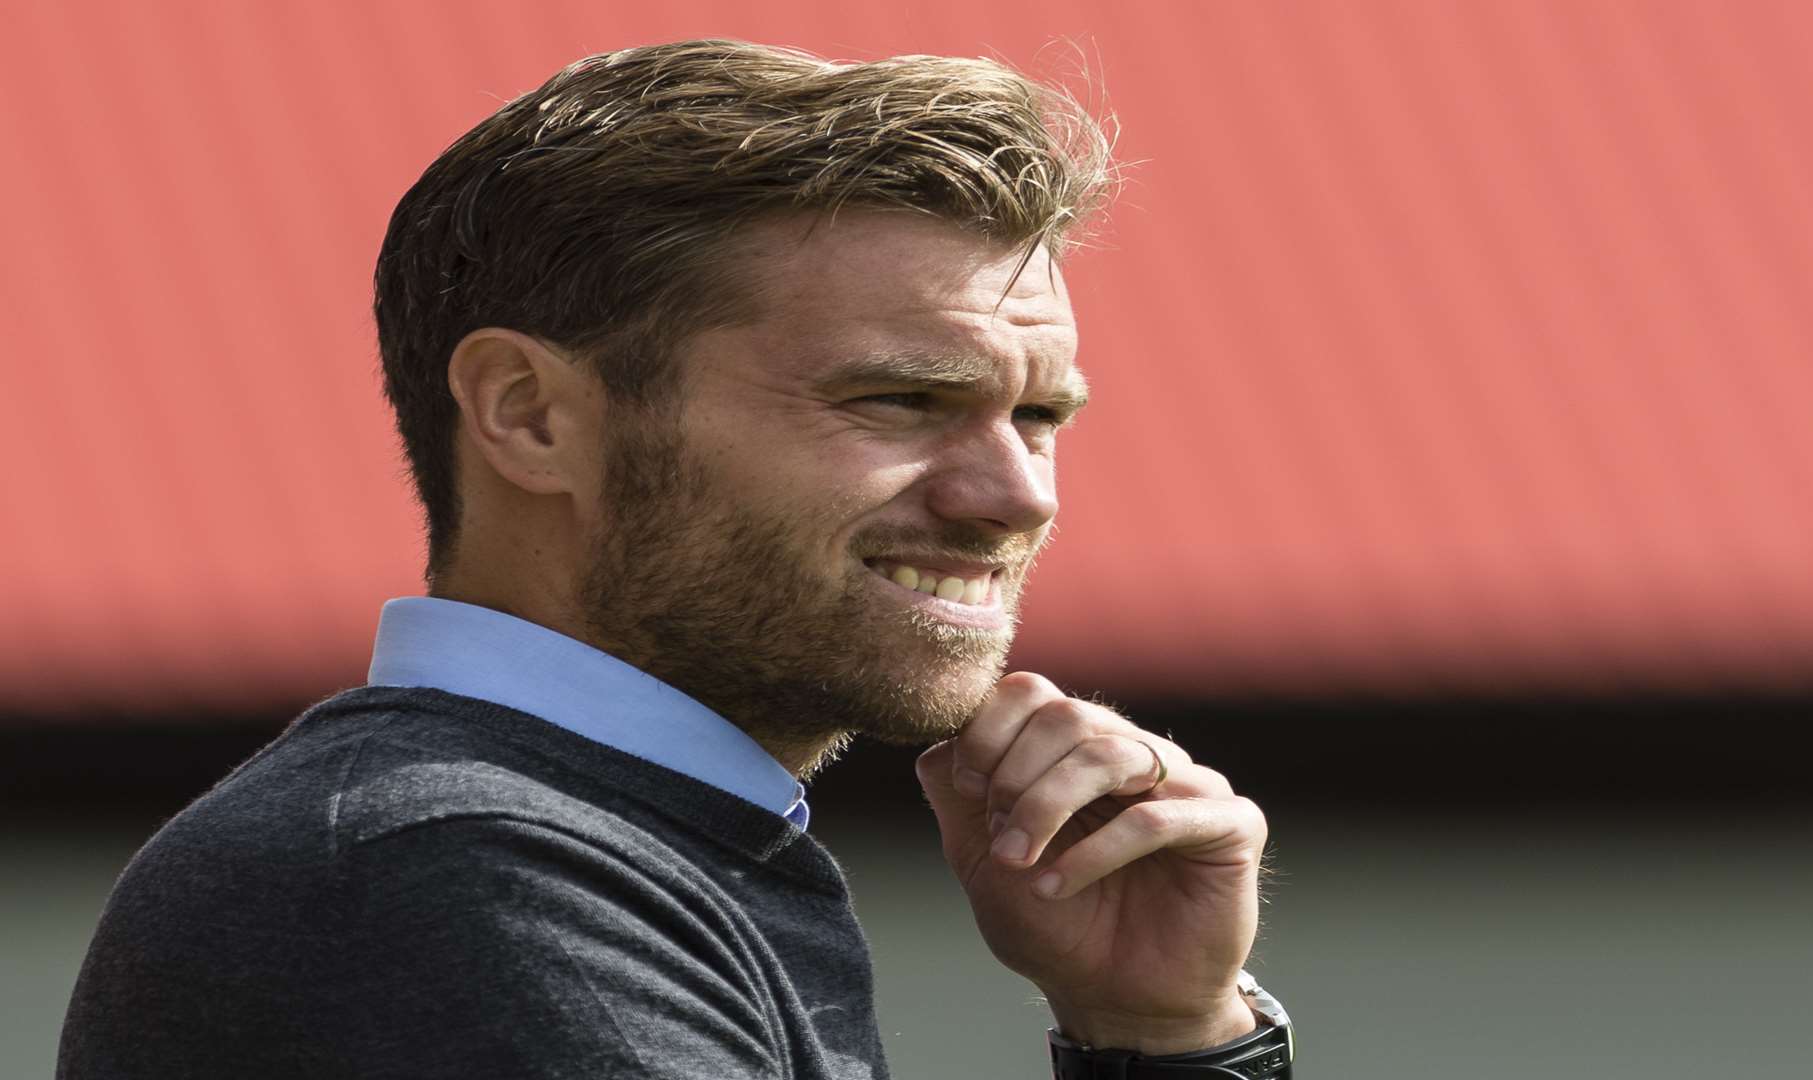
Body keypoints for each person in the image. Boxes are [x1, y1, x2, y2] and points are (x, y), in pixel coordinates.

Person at [59, 40, 1288, 1079]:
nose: (1014, 497)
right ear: (533, 416)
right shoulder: (451, 875)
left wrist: (1160, 1033)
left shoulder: (571, 844)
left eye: (1039, 417)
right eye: (900, 400)